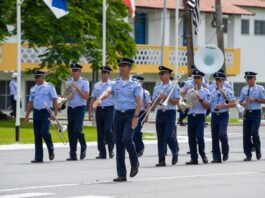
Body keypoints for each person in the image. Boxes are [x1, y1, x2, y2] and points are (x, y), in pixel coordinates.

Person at [93, 58, 142, 182]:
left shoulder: (135, 84)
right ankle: (121, 174)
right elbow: (108, 92)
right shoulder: (115, 83)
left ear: (130, 68)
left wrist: (136, 117)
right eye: (120, 66)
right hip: (118, 114)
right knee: (119, 144)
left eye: (124, 66)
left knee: (127, 139)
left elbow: (139, 102)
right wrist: (99, 99)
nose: (122, 68)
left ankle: (134, 161)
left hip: (130, 114)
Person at [24, 70, 58, 163]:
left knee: (44, 132)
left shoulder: (49, 87)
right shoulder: (33, 89)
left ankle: (51, 149)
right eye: (35, 77)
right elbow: (30, 103)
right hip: (36, 113)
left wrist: (55, 113)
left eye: (38, 77)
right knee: (37, 135)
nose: (37, 79)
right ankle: (38, 157)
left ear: (43, 77)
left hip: (46, 112)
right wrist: (27, 116)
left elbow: (55, 99)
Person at [152, 66, 179, 167]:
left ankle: (174, 151)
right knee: (160, 138)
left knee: (168, 136)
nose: (161, 75)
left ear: (168, 74)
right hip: (160, 112)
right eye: (160, 74)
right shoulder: (157, 87)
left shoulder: (174, 86)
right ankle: (161, 160)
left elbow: (177, 101)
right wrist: (159, 99)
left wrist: (167, 98)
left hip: (170, 112)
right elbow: (154, 103)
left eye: (163, 73)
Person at [89, 66, 114, 159]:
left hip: (109, 109)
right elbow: (93, 98)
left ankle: (111, 149)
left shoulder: (112, 84)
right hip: (99, 110)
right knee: (100, 132)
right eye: (102, 72)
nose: (103, 74)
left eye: (105, 72)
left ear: (108, 74)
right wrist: (90, 111)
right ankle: (102, 153)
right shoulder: (97, 85)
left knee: (108, 130)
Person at [210, 71, 236, 163]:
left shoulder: (227, 91)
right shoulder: (212, 92)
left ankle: (225, 151)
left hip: (223, 115)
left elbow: (233, 104)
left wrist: (222, 106)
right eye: (216, 80)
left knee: (222, 134)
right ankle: (216, 158)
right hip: (214, 115)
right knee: (215, 137)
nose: (218, 82)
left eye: (220, 80)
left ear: (223, 81)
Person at [185, 69, 210, 165]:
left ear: (202, 79)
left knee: (199, 137)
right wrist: (188, 102)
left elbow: (207, 106)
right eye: (195, 78)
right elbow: (188, 105)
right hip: (191, 116)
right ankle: (193, 158)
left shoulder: (206, 91)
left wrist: (200, 98)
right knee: (191, 138)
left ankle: (203, 154)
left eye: (198, 78)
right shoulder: (190, 91)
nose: (197, 80)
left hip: (200, 116)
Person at [239, 71, 265, 161]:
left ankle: (258, 150)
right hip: (247, 113)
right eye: (247, 78)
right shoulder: (244, 89)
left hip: (256, 113)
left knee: (254, 132)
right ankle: (248, 155)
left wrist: (255, 100)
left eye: (250, 78)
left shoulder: (260, 88)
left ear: (254, 79)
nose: (249, 80)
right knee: (246, 135)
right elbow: (240, 101)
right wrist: (243, 104)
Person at [66, 63, 89, 161]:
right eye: (73, 71)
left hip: (80, 108)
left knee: (77, 129)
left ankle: (83, 146)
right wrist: (66, 91)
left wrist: (76, 87)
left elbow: (86, 96)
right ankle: (73, 154)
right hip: (71, 108)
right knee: (70, 131)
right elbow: (65, 95)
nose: (74, 72)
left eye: (76, 71)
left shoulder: (85, 82)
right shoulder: (68, 82)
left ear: (80, 72)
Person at [132, 75, 151, 157]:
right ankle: (136, 148)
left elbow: (148, 105)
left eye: (139, 81)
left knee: (137, 131)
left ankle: (140, 148)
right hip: (132, 112)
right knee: (132, 131)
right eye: (136, 81)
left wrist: (147, 116)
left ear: (142, 82)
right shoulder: (132, 91)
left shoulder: (145, 92)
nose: (137, 83)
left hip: (141, 113)